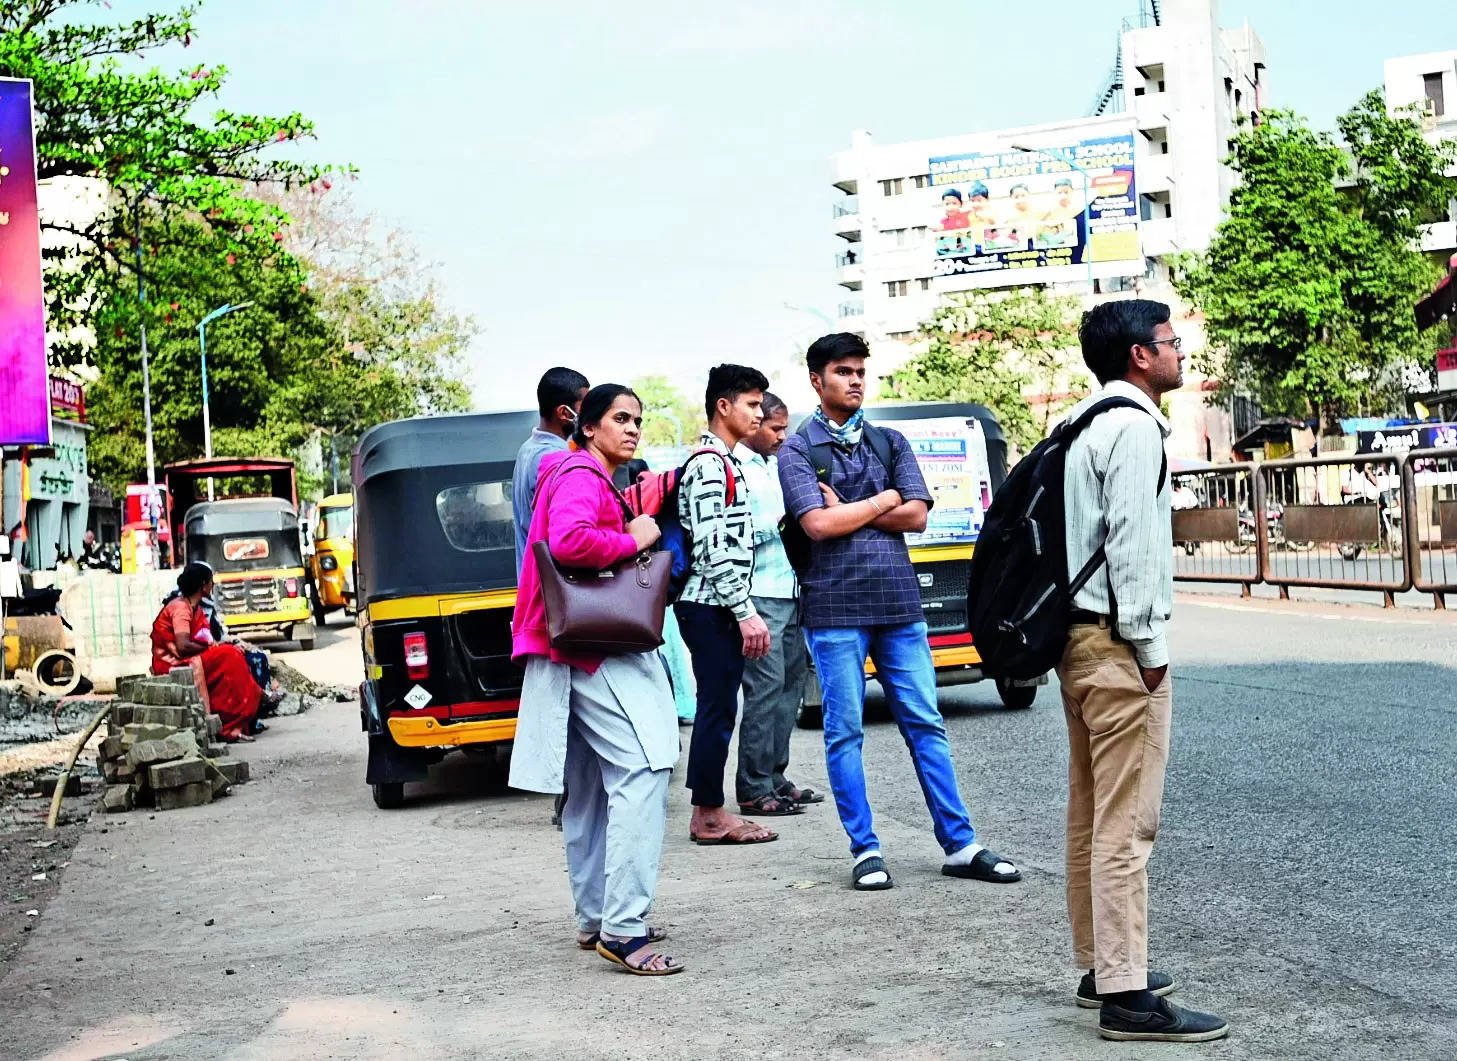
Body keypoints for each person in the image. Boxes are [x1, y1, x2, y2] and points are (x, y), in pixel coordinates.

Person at [777, 333, 1020, 891]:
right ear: (817, 380)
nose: (855, 380)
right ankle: (865, 850)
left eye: (861, 370)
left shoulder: (889, 441)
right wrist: (884, 500)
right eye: (843, 371)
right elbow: (816, 525)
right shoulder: (798, 450)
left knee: (926, 725)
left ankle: (960, 845)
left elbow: (916, 516)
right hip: (835, 609)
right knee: (844, 732)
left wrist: (863, 506)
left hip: (899, 605)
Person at [1059, 300, 1227, 1042]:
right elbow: (1129, 547)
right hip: (1116, 644)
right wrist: (1151, 654)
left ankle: (1103, 964)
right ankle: (1126, 996)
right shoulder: (1131, 429)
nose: (1179, 351)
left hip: (1074, 640)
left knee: (1092, 810)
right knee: (1127, 823)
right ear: (1137, 356)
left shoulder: (1077, 423)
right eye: (1169, 342)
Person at [509, 384, 683, 976]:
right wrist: (636, 537)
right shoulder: (582, 473)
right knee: (644, 767)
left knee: (587, 789)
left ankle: (594, 919)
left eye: (638, 419)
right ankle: (624, 930)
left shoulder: (580, 472)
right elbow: (572, 543)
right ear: (587, 426)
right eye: (619, 419)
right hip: (590, 647)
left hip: (563, 642)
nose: (632, 429)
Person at [676, 364, 783, 845]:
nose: (759, 414)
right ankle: (708, 815)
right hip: (708, 604)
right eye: (753, 405)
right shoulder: (707, 464)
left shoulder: (729, 461)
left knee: (720, 708)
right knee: (716, 709)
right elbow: (711, 548)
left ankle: (711, 809)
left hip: (717, 603)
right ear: (724, 406)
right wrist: (745, 612)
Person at [732, 392, 820, 815]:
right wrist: (793, 522)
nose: (783, 437)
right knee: (764, 690)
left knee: (790, 687)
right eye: (775, 428)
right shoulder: (736, 469)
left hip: (791, 588)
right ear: (754, 425)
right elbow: (741, 531)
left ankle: (775, 777)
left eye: (785, 428)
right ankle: (752, 786)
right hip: (759, 591)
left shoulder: (777, 465)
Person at [151, 562, 265, 743]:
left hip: (189, 657)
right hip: (173, 662)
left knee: (234, 654)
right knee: (230, 656)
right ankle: (228, 727)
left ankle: (234, 720)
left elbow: (205, 639)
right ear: (203, 585)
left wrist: (217, 646)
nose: (213, 586)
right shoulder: (181, 608)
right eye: (211, 582)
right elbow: (182, 646)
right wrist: (212, 648)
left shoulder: (194, 607)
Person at [512, 367, 590, 575]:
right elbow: (570, 538)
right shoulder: (556, 460)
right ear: (564, 413)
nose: (592, 415)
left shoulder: (528, 449)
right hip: (554, 590)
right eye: (587, 408)